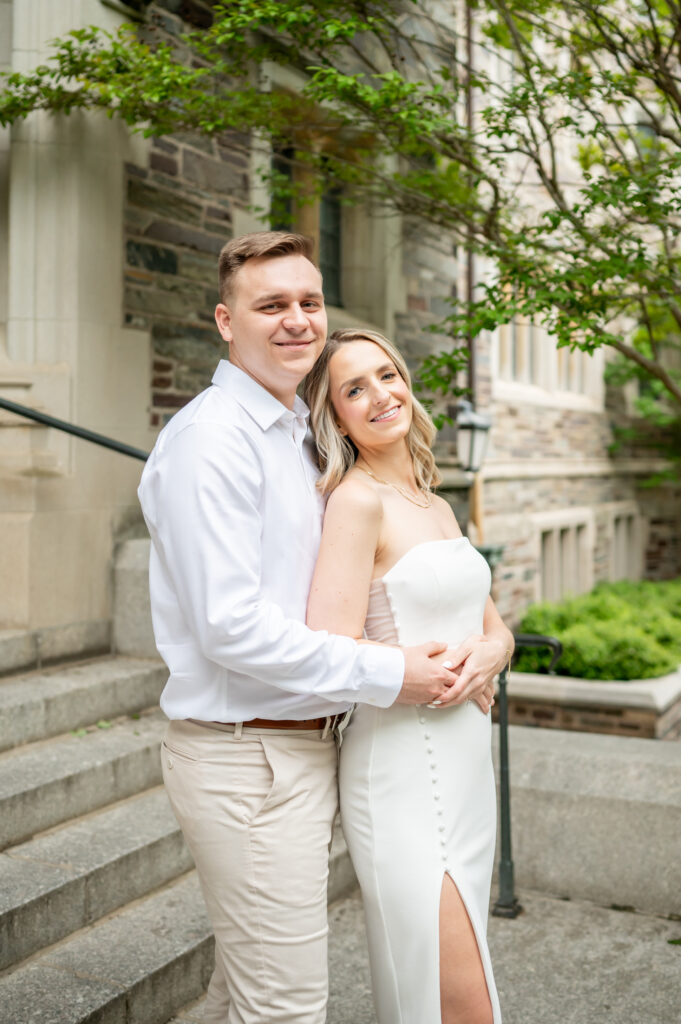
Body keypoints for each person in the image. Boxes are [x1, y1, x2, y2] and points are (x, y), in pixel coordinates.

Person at [137, 231, 494, 1024]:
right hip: (247, 758)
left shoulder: (301, 439)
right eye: (271, 305)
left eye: (308, 302)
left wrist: (484, 646)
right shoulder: (209, 442)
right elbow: (230, 628)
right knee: (285, 1007)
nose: (297, 320)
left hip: (310, 744)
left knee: (246, 993)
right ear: (226, 322)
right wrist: (393, 672)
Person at [304, 327, 513, 1024]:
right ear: (335, 417)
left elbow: (491, 624)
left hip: (464, 767)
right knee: (454, 1001)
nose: (378, 395)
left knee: (457, 979)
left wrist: (494, 651)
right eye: (353, 389)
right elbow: (331, 646)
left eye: (385, 375)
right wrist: (418, 674)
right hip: (401, 768)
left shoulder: (436, 500)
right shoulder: (354, 502)